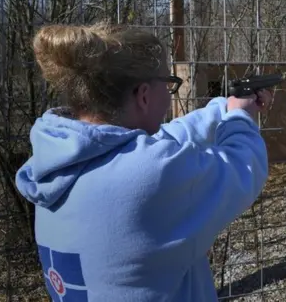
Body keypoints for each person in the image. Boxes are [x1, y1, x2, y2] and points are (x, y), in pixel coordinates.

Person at [14, 22, 271, 301]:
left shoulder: (56, 162)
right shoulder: (148, 175)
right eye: (168, 83)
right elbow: (243, 168)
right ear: (144, 95)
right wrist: (241, 118)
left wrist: (224, 107)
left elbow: (166, 139)